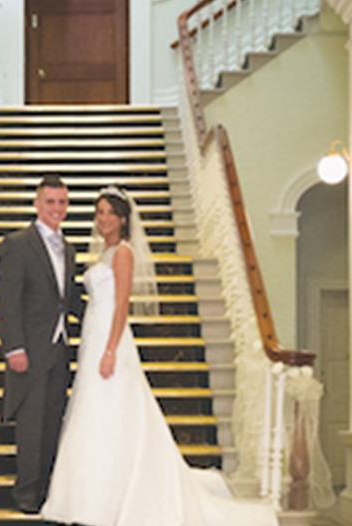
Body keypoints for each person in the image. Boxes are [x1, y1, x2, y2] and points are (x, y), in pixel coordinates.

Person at [40, 186, 279, 526]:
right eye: (99, 212)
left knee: (113, 407)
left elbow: (121, 304)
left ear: (123, 219)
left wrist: (110, 350)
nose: (103, 218)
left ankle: (123, 492)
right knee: (93, 410)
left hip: (111, 340)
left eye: (109, 212)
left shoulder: (123, 253)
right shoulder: (104, 254)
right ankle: (93, 493)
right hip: (93, 336)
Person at [0, 174, 85, 513]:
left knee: (52, 423)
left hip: (59, 349)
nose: (57, 208)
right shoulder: (18, 244)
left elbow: (69, 297)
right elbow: (8, 299)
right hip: (29, 351)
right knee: (31, 427)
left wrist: (100, 315)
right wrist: (14, 348)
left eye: (62, 202)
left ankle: (47, 490)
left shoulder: (70, 248)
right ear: (37, 203)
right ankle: (26, 495)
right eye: (50, 201)